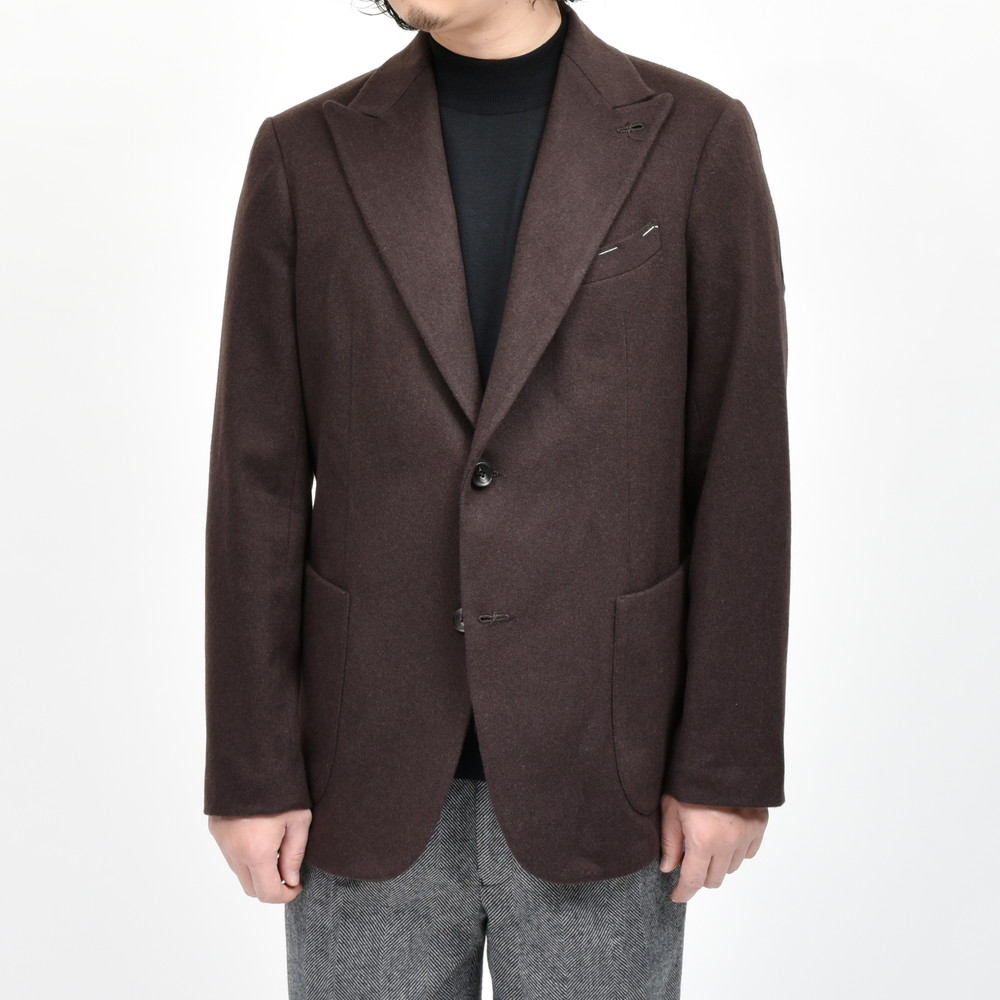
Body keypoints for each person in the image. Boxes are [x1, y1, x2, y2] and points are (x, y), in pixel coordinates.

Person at [203, 1, 791, 996]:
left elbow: (741, 464)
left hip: (608, 770)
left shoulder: (695, 138)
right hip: (361, 775)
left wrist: (725, 766)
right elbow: (254, 483)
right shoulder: (305, 155)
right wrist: (250, 773)